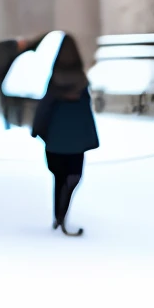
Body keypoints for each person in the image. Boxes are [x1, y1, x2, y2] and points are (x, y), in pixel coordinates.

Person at [31, 34, 99, 236]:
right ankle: (61, 217)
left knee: (59, 178)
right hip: (75, 145)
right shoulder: (82, 84)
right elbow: (85, 114)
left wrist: (40, 131)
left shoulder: (54, 83)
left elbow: (44, 109)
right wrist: (89, 140)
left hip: (55, 143)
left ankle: (59, 217)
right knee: (71, 178)